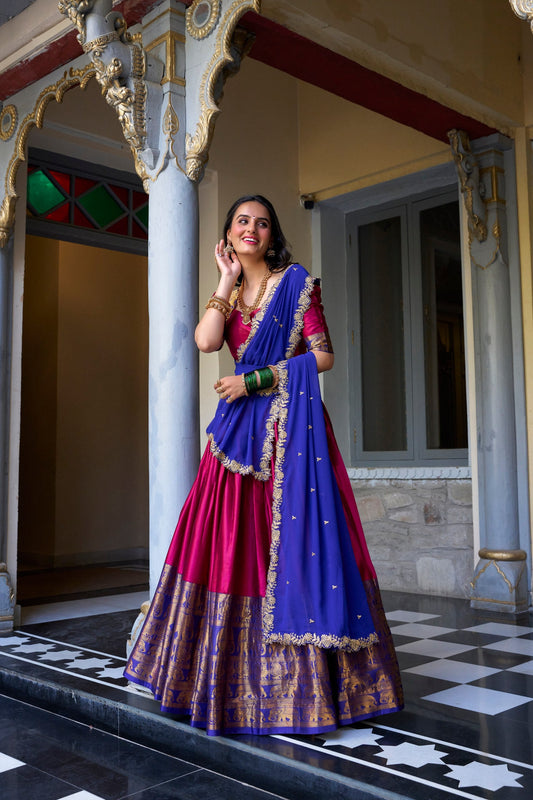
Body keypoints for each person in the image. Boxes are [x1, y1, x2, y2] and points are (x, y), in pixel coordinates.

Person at [124, 194, 404, 736]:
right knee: (229, 545)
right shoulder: (230, 288)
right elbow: (207, 340)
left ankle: (309, 686)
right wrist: (225, 281)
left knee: (291, 545)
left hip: (291, 433)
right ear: (228, 235)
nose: (252, 229)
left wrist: (257, 379)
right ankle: (222, 676)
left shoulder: (297, 284)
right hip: (236, 438)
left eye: (262, 223)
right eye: (241, 222)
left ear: (273, 236)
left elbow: (322, 355)